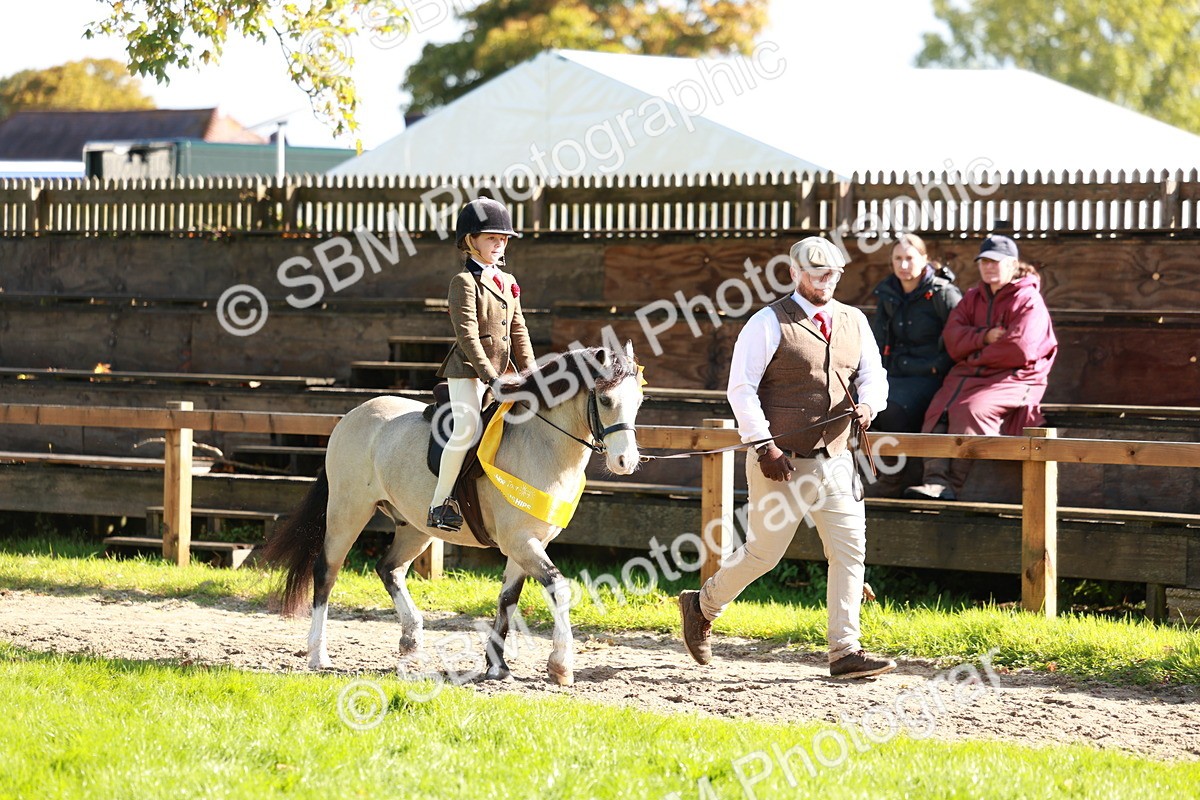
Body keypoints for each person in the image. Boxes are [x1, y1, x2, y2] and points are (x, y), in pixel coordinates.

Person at [678, 236, 897, 680]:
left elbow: (874, 374)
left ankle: (845, 651)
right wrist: (764, 446)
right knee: (764, 554)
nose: (826, 281)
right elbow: (741, 389)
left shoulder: (854, 320)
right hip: (782, 460)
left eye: (833, 273)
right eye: (817, 274)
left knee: (850, 551)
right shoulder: (767, 322)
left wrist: (870, 405)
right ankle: (701, 605)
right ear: (795, 273)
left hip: (838, 458)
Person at [904, 234, 1057, 501]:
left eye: (995, 261)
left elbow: (1019, 349)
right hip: (970, 375)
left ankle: (953, 487)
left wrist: (973, 354)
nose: (988, 267)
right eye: (984, 261)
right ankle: (934, 481)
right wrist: (984, 337)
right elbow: (952, 338)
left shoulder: (1028, 299)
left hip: (1017, 378)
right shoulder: (973, 296)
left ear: (1012, 264)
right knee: (938, 407)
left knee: (970, 410)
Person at [428, 197, 536, 531]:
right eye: (492, 238)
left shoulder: (508, 280)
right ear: (470, 240)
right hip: (468, 371)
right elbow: (467, 337)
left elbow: (519, 330)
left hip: (502, 371)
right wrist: (490, 378)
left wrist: (533, 373)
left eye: (503, 238)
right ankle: (439, 503)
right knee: (467, 429)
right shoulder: (463, 282)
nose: (499, 244)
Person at [871, 233, 962, 434]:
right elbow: (878, 341)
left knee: (892, 410)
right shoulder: (887, 293)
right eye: (898, 258)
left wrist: (937, 367)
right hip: (893, 374)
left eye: (910, 258)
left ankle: (904, 456)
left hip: (931, 377)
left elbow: (960, 340)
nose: (903, 265)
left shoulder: (943, 293)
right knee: (859, 406)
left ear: (924, 259)